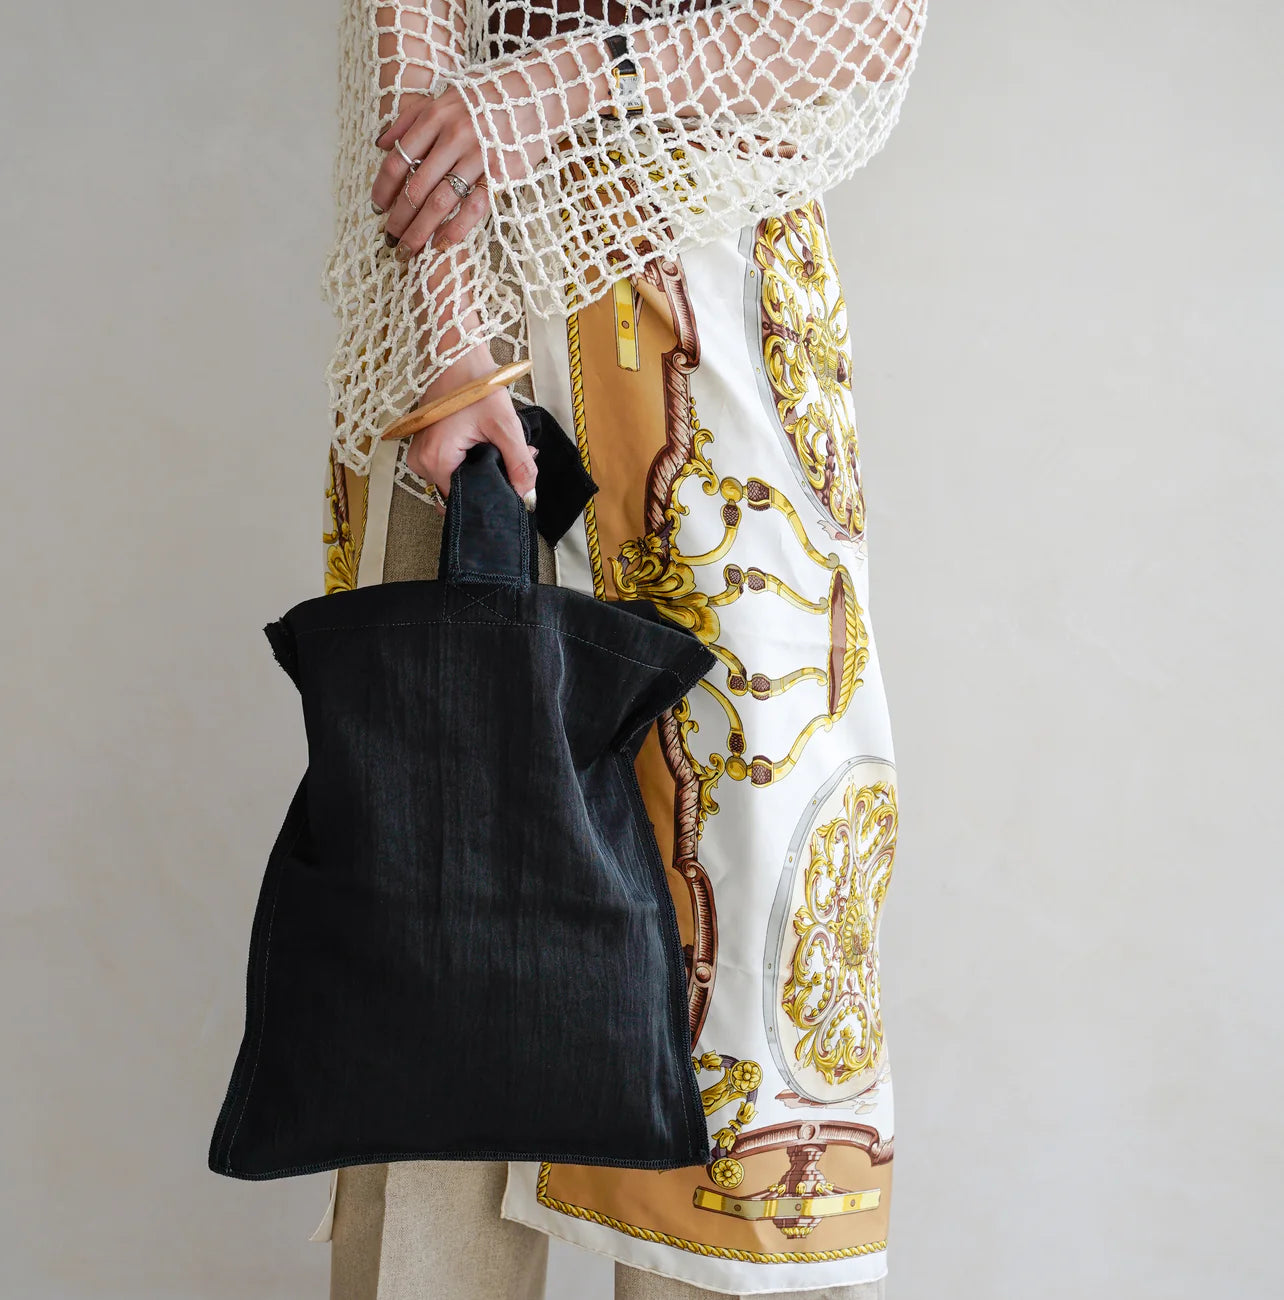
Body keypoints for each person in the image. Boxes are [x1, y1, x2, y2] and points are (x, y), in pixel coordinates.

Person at [314, 2, 927, 1296]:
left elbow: (864, 23)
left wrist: (558, 85)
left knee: (743, 937)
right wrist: (448, 339)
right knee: (444, 934)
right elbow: (413, 21)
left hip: (719, 330)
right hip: (475, 342)